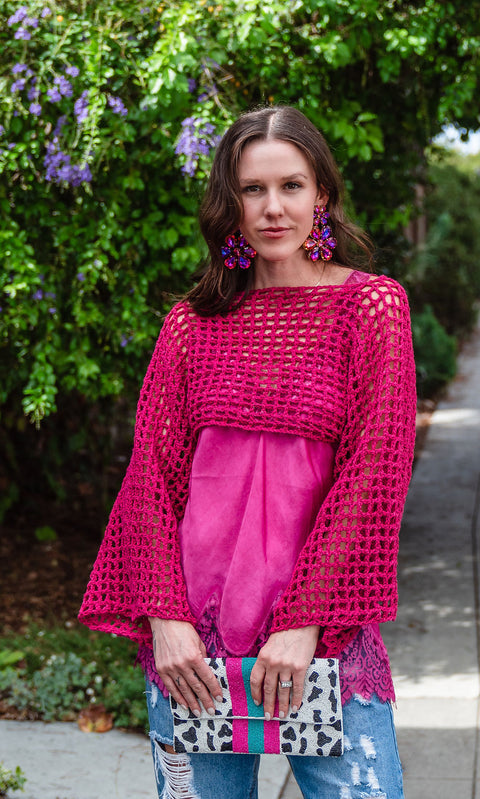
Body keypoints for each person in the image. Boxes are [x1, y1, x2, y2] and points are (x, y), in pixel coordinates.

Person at [79, 105, 417, 799]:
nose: (271, 208)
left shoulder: (370, 309)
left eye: (290, 186)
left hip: (318, 633)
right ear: (227, 204)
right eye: (251, 190)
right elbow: (150, 480)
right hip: (192, 645)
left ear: (321, 193)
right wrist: (165, 621)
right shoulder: (190, 326)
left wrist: (302, 622)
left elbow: (369, 479)